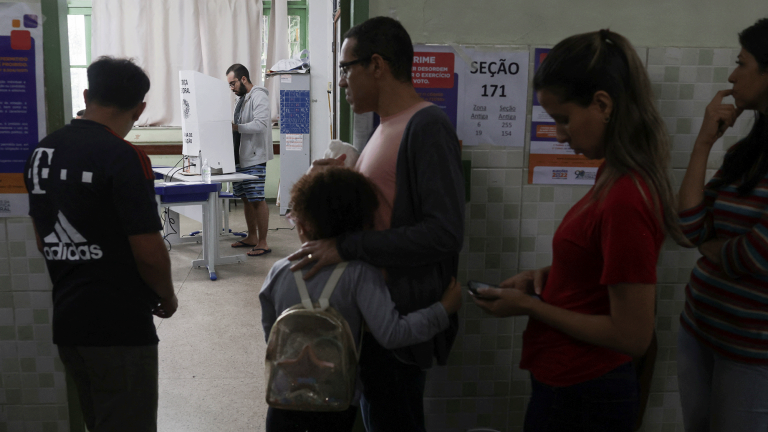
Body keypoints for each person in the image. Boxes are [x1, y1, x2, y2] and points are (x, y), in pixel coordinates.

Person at [472, 30, 682, 431]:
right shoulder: (610, 174)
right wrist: (546, 279)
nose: (561, 135)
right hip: (567, 381)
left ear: (602, 104)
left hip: (588, 392)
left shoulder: (626, 197)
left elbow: (633, 334)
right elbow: (601, 267)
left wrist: (532, 306)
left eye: (564, 119)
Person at [286, 16, 465, 432]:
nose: (343, 81)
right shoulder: (384, 128)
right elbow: (380, 213)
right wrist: (327, 182)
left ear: (377, 65)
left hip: (396, 323)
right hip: (372, 318)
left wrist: (346, 246)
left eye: (347, 68)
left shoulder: (427, 126)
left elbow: (445, 232)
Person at [24, 56, 177, 432]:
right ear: (140, 109)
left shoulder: (41, 153)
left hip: (69, 322)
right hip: (120, 325)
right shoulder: (125, 157)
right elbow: (148, 251)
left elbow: (43, 241)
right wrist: (167, 296)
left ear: (87, 94)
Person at [260, 168, 462, 432]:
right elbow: (393, 333)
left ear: (303, 224)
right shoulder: (360, 275)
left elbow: (271, 336)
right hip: (336, 403)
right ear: (363, 225)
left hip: (283, 400)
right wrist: (442, 309)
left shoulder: (279, 272)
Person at [676, 18, 768, 431]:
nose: (732, 75)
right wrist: (703, 142)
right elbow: (690, 226)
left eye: (742, 63)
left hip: (753, 351)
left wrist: (715, 249)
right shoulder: (749, 151)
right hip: (700, 327)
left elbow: (758, 254)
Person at [225, 63, 273, 257]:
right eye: (229, 84)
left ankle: (263, 242)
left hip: (254, 158)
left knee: (257, 199)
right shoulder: (241, 99)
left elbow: (261, 125)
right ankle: (251, 236)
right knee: (245, 198)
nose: (232, 88)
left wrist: (236, 128)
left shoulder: (259, 96)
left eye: (233, 83)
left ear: (243, 79)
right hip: (239, 157)